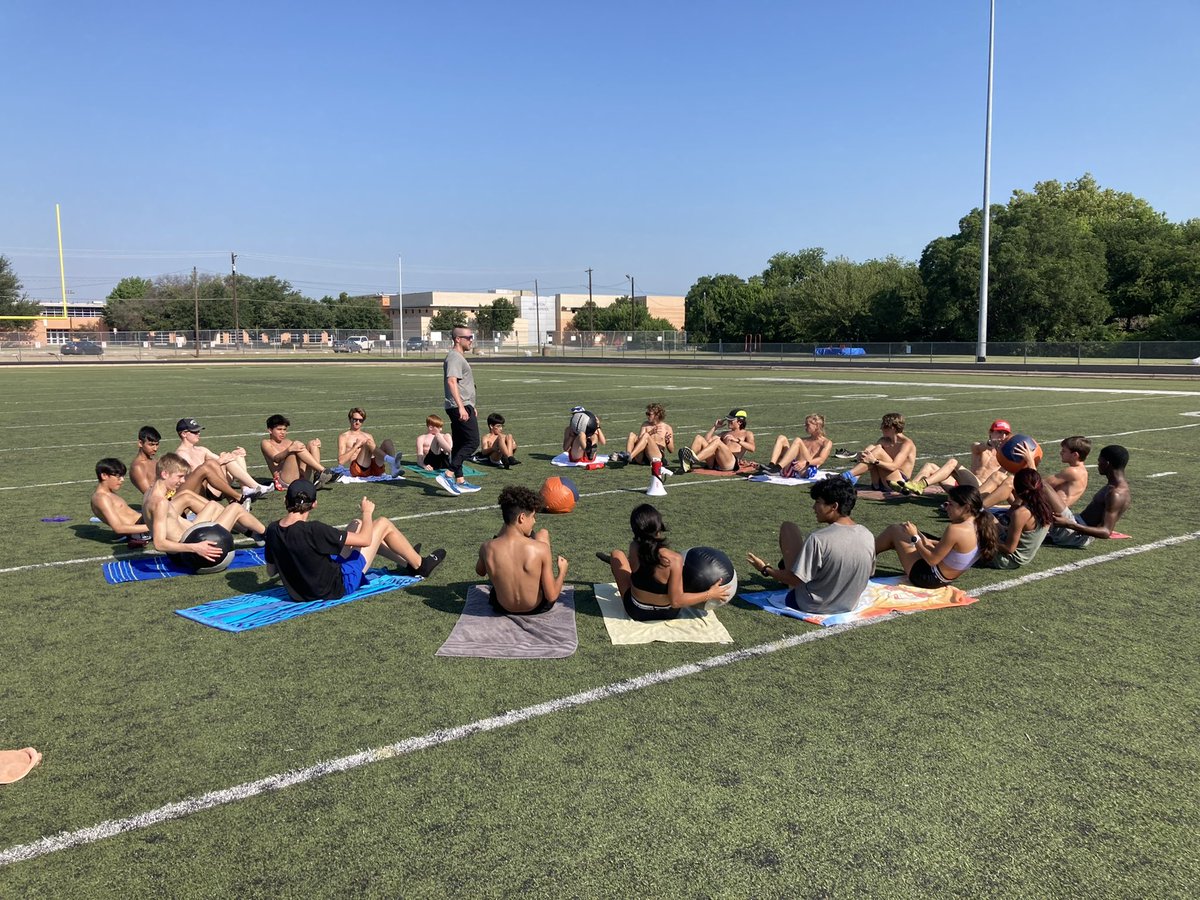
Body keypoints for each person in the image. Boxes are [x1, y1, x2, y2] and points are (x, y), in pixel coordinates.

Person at [264, 479, 446, 602]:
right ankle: (420, 565)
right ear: (314, 504)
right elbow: (366, 540)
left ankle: (407, 561)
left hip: (302, 591)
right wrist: (367, 512)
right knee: (382, 524)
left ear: (285, 501)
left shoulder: (272, 529)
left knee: (356, 524)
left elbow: (271, 571)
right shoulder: (314, 530)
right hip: (338, 585)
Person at [746, 476, 875, 614]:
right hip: (849, 604)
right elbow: (869, 573)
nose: (814, 507)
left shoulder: (819, 539)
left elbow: (795, 580)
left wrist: (765, 569)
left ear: (834, 506)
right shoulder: (867, 535)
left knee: (788, 527)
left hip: (811, 604)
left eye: (818, 502)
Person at [599, 504, 729, 621]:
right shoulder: (674, 559)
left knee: (617, 555)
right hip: (669, 613)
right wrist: (710, 594)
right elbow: (676, 601)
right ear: (659, 527)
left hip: (636, 611)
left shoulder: (634, 548)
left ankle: (618, 563)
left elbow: (633, 574)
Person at [142, 453, 268, 563]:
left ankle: (256, 534)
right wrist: (196, 547)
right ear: (164, 474)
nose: (182, 481)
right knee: (235, 508)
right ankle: (270, 535)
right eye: (179, 476)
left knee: (211, 505)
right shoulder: (160, 503)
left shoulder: (150, 492)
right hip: (192, 551)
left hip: (188, 538)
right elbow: (159, 544)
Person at [874, 484, 997, 588]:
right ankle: (870, 559)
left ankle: (864, 560)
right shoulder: (982, 523)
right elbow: (959, 550)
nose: (946, 508)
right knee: (904, 531)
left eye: (951, 504)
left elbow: (932, 560)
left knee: (894, 530)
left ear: (966, 507)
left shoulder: (956, 529)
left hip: (927, 577)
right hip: (944, 578)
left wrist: (915, 538)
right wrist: (926, 540)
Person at [475, 485, 568, 614]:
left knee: (538, 535)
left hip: (502, 607)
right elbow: (551, 596)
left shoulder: (486, 547)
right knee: (543, 534)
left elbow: (480, 572)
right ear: (522, 518)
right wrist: (562, 571)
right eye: (533, 517)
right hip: (537, 607)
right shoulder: (541, 549)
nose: (534, 521)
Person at [131, 424, 257, 503]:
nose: (155, 448)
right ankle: (238, 497)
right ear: (140, 444)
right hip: (169, 500)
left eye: (157, 444)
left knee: (211, 464)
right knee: (207, 466)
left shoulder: (155, 461)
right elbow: (151, 495)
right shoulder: (138, 467)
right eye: (151, 445)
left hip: (176, 492)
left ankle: (234, 500)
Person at [1044, 444, 1131, 548]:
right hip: (1075, 526)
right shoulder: (1114, 486)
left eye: (1099, 461)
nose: (1098, 464)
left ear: (1107, 464)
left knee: (1042, 485)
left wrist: (1068, 524)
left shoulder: (1116, 493)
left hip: (1076, 536)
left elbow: (1106, 532)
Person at [902, 418, 1012, 495]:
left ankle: (921, 484)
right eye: (999, 432)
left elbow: (1001, 476)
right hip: (966, 486)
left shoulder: (1006, 454)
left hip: (983, 491)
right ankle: (909, 487)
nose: (1002, 436)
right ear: (990, 432)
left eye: (1005, 434)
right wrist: (990, 443)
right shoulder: (979, 447)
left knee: (953, 462)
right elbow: (978, 447)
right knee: (929, 466)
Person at [174, 417, 273, 500]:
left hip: (214, 486)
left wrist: (234, 454)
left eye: (198, 431)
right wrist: (222, 460)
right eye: (194, 431)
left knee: (233, 457)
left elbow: (220, 459)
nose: (198, 433)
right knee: (226, 460)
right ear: (184, 434)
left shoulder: (201, 449)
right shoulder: (181, 455)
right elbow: (195, 477)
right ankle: (255, 486)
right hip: (203, 492)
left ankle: (246, 488)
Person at [985, 435, 1091, 509]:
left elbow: (1038, 485)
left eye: (1064, 451)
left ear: (1075, 455)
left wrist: (1030, 460)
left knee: (1010, 481)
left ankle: (975, 509)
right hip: (1040, 505)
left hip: (1044, 513)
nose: (1060, 453)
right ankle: (974, 505)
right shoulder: (1079, 470)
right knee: (999, 476)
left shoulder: (1073, 471)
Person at [438, 326, 482, 496]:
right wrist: (462, 406)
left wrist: (471, 405)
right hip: (459, 406)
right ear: (458, 339)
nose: (471, 340)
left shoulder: (458, 357)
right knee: (472, 442)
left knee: (459, 444)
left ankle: (460, 480)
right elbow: (451, 382)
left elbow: (463, 385)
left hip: (463, 405)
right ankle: (448, 474)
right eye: (469, 337)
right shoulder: (455, 357)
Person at [981, 468, 1054, 569]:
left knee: (973, 523)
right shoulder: (1045, 506)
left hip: (1007, 560)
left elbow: (1009, 548)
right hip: (1022, 557)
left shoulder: (1021, 513)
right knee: (983, 514)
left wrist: (985, 543)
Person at [260, 414, 339, 490]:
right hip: (284, 480)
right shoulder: (266, 443)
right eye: (279, 429)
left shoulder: (288, 441)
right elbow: (276, 459)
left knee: (312, 444)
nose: (283, 432)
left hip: (299, 476)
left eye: (284, 429)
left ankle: (317, 475)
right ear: (270, 430)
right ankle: (322, 470)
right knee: (294, 449)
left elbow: (301, 455)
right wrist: (289, 450)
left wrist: (314, 446)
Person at [840, 412, 916, 491]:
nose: (881, 428)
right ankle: (851, 478)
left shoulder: (906, 444)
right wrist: (862, 453)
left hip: (899, 483)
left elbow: (894, 466)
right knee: (871, 449)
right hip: (879, 483)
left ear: (892, 428)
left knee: (877, 451)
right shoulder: (883, 440)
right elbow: (871, 453)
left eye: (884, 426)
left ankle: (846, 476)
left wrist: (875, 461)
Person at [90, 458, 150, 547]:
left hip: (142, 524)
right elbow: (118, 528)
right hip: (140, 530)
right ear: (104, 476)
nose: (122, 480)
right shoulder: (101, 498)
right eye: (118, 476)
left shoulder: (108, 494)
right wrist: (152, 527)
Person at [678, 409, 756, 473]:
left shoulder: (747, 433)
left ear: (740, 422)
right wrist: (715, 427)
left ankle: (692, 460)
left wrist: (738, 441)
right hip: (716, 461)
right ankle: (688, 464)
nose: (728, 421)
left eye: (731, 420)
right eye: (728, 420)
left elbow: (752, 448)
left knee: (717, 441)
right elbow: (706, 441)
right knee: (699, 438)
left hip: (730, 463)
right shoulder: (725, 433)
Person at [614, 403, 676, 479]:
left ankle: (629, 457)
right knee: (632, 435)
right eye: (646, 413)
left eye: (649, 414)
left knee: (646, 436)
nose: (647, 416)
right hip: (642, 456)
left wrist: (668, 441)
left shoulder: (667, 428)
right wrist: (650, 433)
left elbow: (671, 450)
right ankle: (628, 455)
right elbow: (640, 442)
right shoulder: (645, 424)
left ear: (657, 415)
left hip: (656, 456)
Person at [762, 413, 832, 478]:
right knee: (781, 438)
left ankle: (778, 468)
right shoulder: (804, 440)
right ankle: (772, 465)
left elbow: (821, 460)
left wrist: (805, 463)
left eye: (808, 425)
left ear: (817, 426)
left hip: (806, 469)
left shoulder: (826, 442)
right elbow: (791, 456)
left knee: (798, 440)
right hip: (794, 467)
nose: (805, 427)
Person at [336, 407, 400, 477]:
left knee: (388, 442)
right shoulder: (344, 436)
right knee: (368, 442)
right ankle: (392, 460)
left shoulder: (368, 435)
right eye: (355, 420)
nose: (357, 422)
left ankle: (393, 468)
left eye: (360, 420)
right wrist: (355, 446)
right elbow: (341, 461)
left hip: (372, 467)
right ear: (350, 419)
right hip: (358, 469)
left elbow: (374, 454)